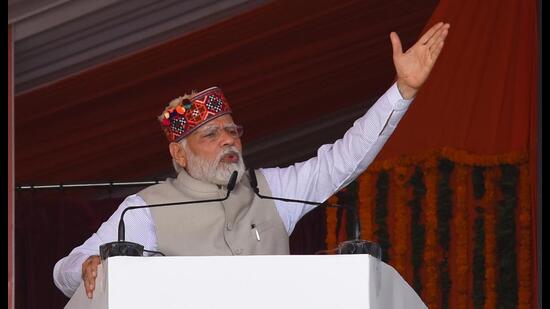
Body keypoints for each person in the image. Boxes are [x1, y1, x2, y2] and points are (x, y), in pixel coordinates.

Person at [53, 22, 450, 299]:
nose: (228, 140)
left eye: (232, 131)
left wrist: (402, 90)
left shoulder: (273, 188)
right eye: (211, 135)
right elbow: (64, 271)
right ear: (179, 153)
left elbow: (344, 158)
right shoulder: (146, 209)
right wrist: (89, 264)